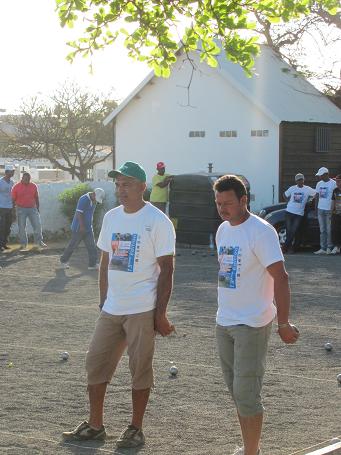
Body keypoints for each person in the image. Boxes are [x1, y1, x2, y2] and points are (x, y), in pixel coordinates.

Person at [62, 161, 176, 449]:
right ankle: (95, 424)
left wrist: (160, 314)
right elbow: (104, 262)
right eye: (118, 184)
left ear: (142, 187)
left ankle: (136, 428)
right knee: (95, 364)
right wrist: (103, 299)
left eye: (126, 184)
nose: (120, 189)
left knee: (139, 369)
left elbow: (167, 269)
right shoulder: (112, 217)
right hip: (112, 308)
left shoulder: (158, 221)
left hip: (142, 308)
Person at [213, 174, 299, 455]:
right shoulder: (223, 230)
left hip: (251, 323)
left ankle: (251, 452)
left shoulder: (261, 231)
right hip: (224, 321)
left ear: (244, 200)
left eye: (227, 203)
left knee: (247, 393)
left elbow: (281, 278)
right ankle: (250, 448)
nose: (222, 209)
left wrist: (283, 323)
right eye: (218, 203)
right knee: (237, 392)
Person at [59, 188, 105, 270]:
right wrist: (82, 226)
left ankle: (92, 265)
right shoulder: (83, 199)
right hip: (79, 228)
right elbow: (78, 213)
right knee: (73, 246)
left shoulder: (94, 201)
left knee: (92, 246)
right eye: (96, 198)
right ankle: (63, 261)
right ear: (93, 194)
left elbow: (90, 214)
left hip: (88, 228)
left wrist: (89, 225)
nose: (96, 201)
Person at [11, 172, 47, 251]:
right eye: (25, 179)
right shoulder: (16, 187)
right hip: (20, 209)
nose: (27, 180)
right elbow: (13, 200)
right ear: (22, 178)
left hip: (32, 208)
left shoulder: (33, 186)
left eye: (28, 179)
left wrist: (38, 208)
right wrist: (13, 211)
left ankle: (39, 242)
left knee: (37, 225)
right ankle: (23, 244)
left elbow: (36, 197)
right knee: (22, 227)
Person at [282, 173, 316, 253]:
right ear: (296, 181)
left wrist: (310, 200)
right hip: (289, 212)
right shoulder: (292, 188)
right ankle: (289, 248)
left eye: (301, 179)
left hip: (299, 214)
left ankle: (284, 247)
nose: (300, 181)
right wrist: (287, 202)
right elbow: (284, 194)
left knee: (294, 230)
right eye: (298, 180)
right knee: (289, 231)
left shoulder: (307, 189)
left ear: (304, 180)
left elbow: (316, 193)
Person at [314, 167, 337, 255]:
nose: (320, 177)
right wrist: (316, 208)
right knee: (322, 230)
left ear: (327, 174)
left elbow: (336, 196)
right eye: (319, 175)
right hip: (320, 209)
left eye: (321, 175)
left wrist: (334, 208)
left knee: (329, 229)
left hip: (329, 210)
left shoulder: (334, 183)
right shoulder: (319, 184)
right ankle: (322, 248)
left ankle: (329, 247)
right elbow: (317, 196)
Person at [0, 164, 16, 251]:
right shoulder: (0, 182)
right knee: (1, 226)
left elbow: (13, 196)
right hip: (1, 207)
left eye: (13, 171)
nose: (13, 172)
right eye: (12, 171)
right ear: (7, 172)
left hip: (10, 207)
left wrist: (14, 208)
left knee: (8, 227)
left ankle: (4, 243)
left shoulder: (12, 182)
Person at [331, 174, 341, 254]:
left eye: (338, 181)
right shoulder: (335, 190)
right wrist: (332, 212)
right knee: (335, 230)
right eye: (336, 181)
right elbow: (333, 201)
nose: (337, 183)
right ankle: (337, 247)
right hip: (336, 213)